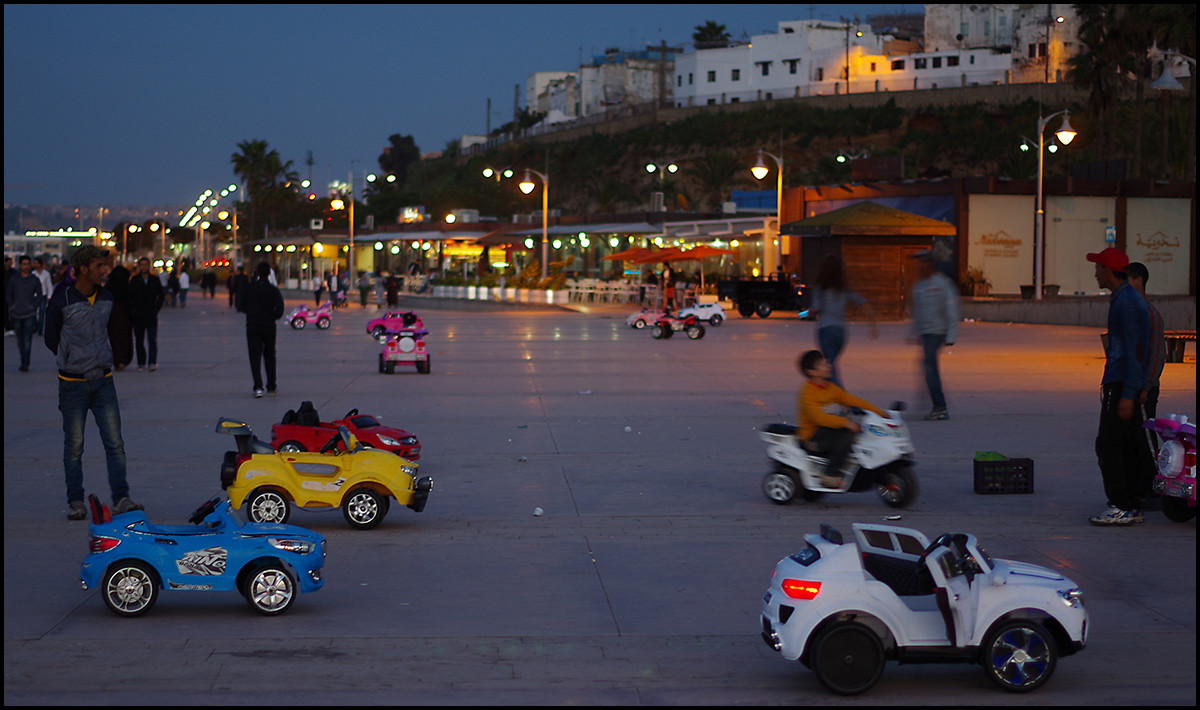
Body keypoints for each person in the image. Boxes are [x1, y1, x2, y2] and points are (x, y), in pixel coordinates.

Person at [44, 246, 142, 520]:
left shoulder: (107, 297)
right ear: (83, 268)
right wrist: (70, 357)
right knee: (74, 446)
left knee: (115, 444)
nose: (105, 270)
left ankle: (121, 498)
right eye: (99, 265)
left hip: (104, 383)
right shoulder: (62, 297)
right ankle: (75, 501)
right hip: (72, 384)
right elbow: (50, 336)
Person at [1086, 247, 1150, 526]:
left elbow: (1137, 350)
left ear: (1108, 271)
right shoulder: (1122, 298)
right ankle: (1131, 502)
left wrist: (1127, 393)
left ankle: (1121, 505)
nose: (1095, 273)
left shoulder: (1128, 302)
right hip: (1119, 380)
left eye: (1098, 267)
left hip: (1122, 382)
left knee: (1108, 445)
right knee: (1125, 444)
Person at [796, 349, 886, 488]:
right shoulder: (807, 392)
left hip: (830, 432)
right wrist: (846, 423)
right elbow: (819, 418)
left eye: (826, 362)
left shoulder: (831, 388)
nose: (828, 366)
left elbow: (853, 401)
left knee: (860, 436)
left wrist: (880, 413)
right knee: (847, 434)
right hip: (813, 437)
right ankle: (830, 474)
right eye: (822, 364)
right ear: (811, 372)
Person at [811, 254, 878, 387]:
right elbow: (864, 302)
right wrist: (872, 325)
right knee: (831, 364)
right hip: (840, 333)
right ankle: (831, 400)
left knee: (829, 368)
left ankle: (842, 399)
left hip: (825, 331)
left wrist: (804, 313)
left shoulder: (820, 289)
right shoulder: (844, 290)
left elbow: (815, 309)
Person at [908, 250, 960, 420]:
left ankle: (940, 407)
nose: (919, 267)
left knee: (929, 366)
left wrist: (951, 336)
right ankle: (936, 402)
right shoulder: (918, 285)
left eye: (923, 263)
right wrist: (913, 331)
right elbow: (916, 311)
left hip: (938, 332)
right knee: (928, 367)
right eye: (918, 264)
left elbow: (952, 310)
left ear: (930, 265)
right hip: (925, 333)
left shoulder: (942, 284)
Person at [236, 261, 284, 398]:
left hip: (253, 325)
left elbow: (241, 306)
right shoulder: (273, 290)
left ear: (256, 272)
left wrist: (252, 312)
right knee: (270, 355)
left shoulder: (249, 288)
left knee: (254, 356)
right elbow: (279, 310)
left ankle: (258, 386)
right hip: (269, 326)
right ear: (269, 274)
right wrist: (272, 316)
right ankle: (271, 385)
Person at [6, 255, 44, 371]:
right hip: (16, 313)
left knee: (27, 339)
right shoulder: (14, 279)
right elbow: (9, 294)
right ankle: (23, 357)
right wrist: (12, 306)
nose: (26, 266)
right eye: (24, 264)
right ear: (19, 265)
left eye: (28, 264)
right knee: (20, 339)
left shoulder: (34, 280)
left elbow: (39, 295)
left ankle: (25, 362)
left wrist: (33, 306)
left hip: (29, 314)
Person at [128, 257, 165, 372]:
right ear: (139, 266)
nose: (144, 267)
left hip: (151, 314)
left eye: (145, 265)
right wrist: (133, 310)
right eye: (142, 265)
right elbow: (129, 297)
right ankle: (141, 363)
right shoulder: (134, 280)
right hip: (138, 315)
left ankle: (152, 362)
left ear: (149, 266)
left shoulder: (154, 279)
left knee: (152, 339)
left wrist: (156, 309)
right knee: (139, 340)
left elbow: (161, 295)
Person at [105, 261, 134, 371]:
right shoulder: (127, 287)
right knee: (124, 339)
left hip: (112, 316)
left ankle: (118, 360)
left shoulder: (109, 287)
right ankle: (123, 360)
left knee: (115, 339)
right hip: (125, 315)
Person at [33, 257, 53, 336]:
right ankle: (35, 326)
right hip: (34, 296)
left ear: (40, 264)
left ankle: (40, 330)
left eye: (36, 263)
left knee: (41, 313)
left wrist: (49, 296)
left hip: (43, 295)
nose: (34, 264)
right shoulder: (33, 274)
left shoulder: (46, 274)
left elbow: (49, 285)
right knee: (33, 313)